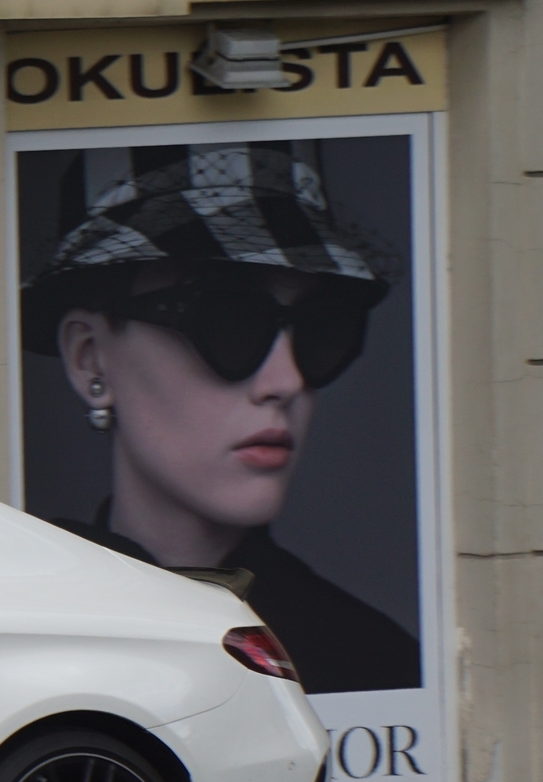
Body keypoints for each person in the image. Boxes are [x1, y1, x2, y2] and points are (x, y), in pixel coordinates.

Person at [22, 142, 418, 694]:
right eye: (227, 320)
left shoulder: (377, 665)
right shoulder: (15, 636)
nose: (287, 380)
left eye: (323, 327)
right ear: (90, 356)